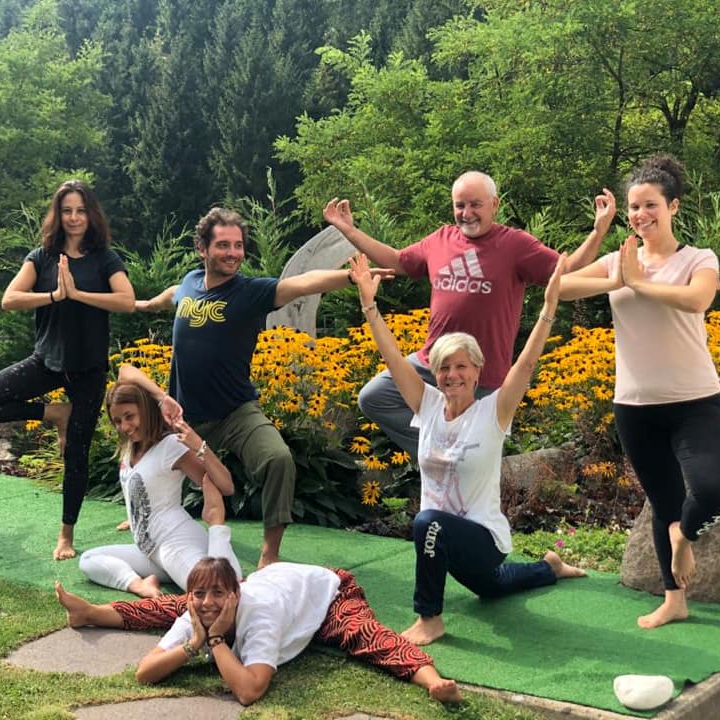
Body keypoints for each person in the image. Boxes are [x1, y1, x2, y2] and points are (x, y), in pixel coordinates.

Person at [133, 206, 392, 568]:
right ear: (202, 249)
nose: (233, 253)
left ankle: (270, 552)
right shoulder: (190, 283)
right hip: (183, 414)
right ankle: (138, 515)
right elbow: (172, 294)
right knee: (140, 453)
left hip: (236, 411)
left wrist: (350, 278)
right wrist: (145, 304)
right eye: (223, 245)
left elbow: (303, 283)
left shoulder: (250, 292)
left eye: (238, 245)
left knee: (278, 460)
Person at [350, 252, 586, 646]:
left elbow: (525, 366)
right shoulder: (426, 404)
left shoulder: (493, 412)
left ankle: (429, 619)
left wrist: (548, 308)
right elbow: (392, 358)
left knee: (427, 520)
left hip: (483, 539)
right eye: (444, 367)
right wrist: (369, 303)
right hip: (445, 543)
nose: (452, 375)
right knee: (493, 588)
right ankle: (550, 566)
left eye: (461, 367)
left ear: (477, 371)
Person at [559, 154, 720, 629]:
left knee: (717, 487)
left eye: (650, 205)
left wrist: (638, 282)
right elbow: (558, 286)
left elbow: (697, 298)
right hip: (635, 407)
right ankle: (674, 599)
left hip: (694, 401)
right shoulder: (619, 261)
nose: (640, 215)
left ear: (673, 206)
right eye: (634, 207)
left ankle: (684, 536)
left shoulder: (697, 259)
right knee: (664, 503)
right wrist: (613, 264)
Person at [324, 173, 616, 457]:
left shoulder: (515, 245)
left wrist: (598, 231)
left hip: (483, 375)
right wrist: (349, 230)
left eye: (475, 204)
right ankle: (441, 453)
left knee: (480, 458)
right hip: (432, 364)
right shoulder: (440, 240)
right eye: (459, 206)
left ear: (494, 204)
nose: (467, 213)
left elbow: (568, 268)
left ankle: (463, 459)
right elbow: (398, 261)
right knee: (374, 397)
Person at [0, 179, 135, 560]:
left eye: (80, 210)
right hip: (46, 362)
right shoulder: (40, 257)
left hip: (88, 371)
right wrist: (55, 294)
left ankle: (65, 535)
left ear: (91, 215)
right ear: (57, 215)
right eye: (67, 211)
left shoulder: (105, 258)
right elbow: (10, 299)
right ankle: (54, 413)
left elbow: (127, 300)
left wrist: (78, 294)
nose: (74, 218)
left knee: (76, 453)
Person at [56, 556, 462, 707]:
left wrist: (213, 642)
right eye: (199, 594)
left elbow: (249, 692)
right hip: (276, 579)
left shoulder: (259, 614)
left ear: (234, 595)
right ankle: (91, 612)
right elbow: (145, 672)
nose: (207, 603)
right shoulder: (198, 606)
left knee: (364, 635)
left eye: (217, 594)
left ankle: (432, 681)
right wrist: (194, 642)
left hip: (326, 594)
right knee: (166, 606)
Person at [77, 377, 243, 596]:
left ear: (146, 410)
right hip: (150, 552)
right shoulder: (130, 449)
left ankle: (220, 547)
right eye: (117, 421)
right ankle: (141, 586)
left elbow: (226, 486)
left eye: (130, 417)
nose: (124, 426)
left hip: (176, 543)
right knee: (89, 560)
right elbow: (124, 371)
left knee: (213, 592)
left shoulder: (170, 446)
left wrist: (198, 445)